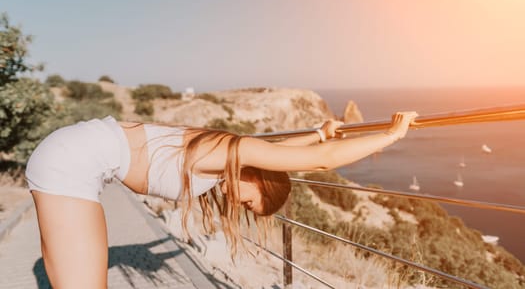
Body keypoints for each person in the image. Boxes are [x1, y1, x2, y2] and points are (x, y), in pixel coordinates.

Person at [25, 111, 418, 288]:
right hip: (74, 162)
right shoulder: (227, 153)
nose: (239, 206)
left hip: (78, 157)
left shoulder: (227, 157)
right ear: (259, 181)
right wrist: (392, 136)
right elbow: (317, 163)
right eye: (250, 204)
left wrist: (318, 132)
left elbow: (280, 152)